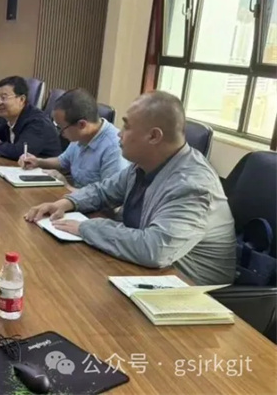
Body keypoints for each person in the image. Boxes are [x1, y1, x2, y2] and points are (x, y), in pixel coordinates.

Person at [24, 91, 235, 285]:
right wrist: (66, 202)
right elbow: (103, 191)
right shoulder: (143, 165)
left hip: (189, 287)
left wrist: (87, 228)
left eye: (127, 127)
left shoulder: (192, 185)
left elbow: (155, 249)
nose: (119, 134)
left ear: (154, 136)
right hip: (148, 271)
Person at [19, 88, 128, 189]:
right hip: (75, 198)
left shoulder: (114, 148)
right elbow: (62, 162)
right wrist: (38, 162)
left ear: (81, 125)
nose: (60, 134)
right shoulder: (80, 136)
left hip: (88, 202)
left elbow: (109, 198)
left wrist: (66, 186)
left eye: (61, 128)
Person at [0, 76, 62, 160]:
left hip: (42, 167)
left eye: (3, 98)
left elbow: (21, 152)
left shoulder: (38, 122)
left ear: (21, 99)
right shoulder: (10, 117)